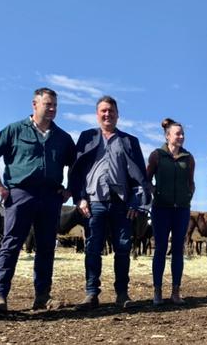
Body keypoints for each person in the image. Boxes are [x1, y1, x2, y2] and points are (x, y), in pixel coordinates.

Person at [0, 87, 76, 315]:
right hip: (20, 194)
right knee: (11, 243)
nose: (53, 109)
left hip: (50, 197)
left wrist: (70, 189)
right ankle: (0, 295)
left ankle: (42, 296)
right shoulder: (15, 130)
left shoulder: (63, 138)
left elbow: (75, 164)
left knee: (46, 247)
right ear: (35, 105)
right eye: (48, 104)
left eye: (55, 105)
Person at [69, 96, 151, 309]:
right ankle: (91, 294)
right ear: (97, 114)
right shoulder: (87, 137)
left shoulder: (129, 141)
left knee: (123, 249)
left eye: (111, 111)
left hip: (121, 204)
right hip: (93, 203)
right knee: (93, 248)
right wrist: (79, 198)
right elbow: (75, 171)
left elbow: (140, 175)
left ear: (117, 114)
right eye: (103, 111)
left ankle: (122, 294)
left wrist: (136, 202)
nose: (107, 115)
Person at [146, 118, 195, 305]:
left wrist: (188, 196)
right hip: (161, 209)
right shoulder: (157, 155)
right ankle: (157, 291)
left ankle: (175, 292)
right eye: (178, 134)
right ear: (168, 136)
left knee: (178, 251)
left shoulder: (188, 158)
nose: (181, 137)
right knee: (159, 249)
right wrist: (154, 192)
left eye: (183, 134)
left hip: (181, 210)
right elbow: (146, 178)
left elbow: (191, 182)